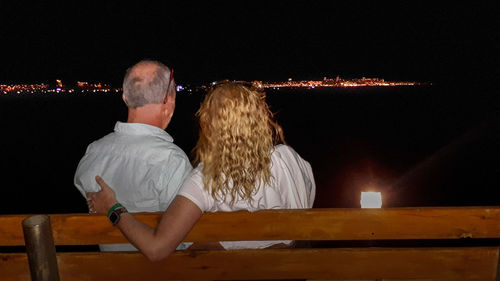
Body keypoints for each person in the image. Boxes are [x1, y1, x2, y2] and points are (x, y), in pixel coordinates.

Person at [87, 82, 315, 261]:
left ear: (209, 124)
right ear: (260, 119)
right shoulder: (288, 159)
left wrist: (113, 208)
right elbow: (304, 214)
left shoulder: (205, 179)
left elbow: (156, 249)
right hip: (289, 272)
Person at [74, 60, 193, 251]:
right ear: (168, 100)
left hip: (109, 270)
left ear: (125, 98)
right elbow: (188, 239)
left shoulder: (94, 153)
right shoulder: (171, 161)